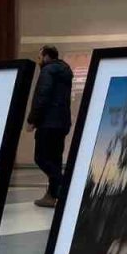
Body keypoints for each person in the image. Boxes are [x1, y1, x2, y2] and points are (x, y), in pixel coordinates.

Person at [27, 45, 74, 208]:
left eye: (40, 57)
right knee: (55, 158)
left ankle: (63, 185)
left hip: (48, 123)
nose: (38, 60)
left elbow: (42, 96)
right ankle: (52, 196)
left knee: (40, 157)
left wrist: (32, 119)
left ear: (46, 57)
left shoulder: (47, 71)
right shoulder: (65, 72)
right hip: (62, 123)